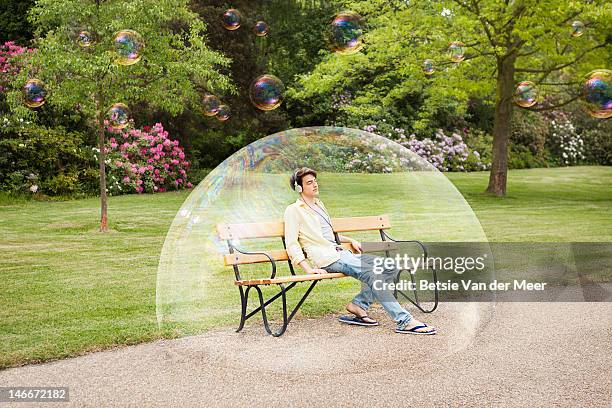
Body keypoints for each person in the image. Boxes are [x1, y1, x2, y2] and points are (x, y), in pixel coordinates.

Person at [284, 167, 436, 335]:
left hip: (341, 253)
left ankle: (358, 305)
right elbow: (291, 243)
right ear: (299, 187)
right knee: (371, 273)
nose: (315, 185)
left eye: (315, 181)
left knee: (390, 266)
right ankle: (404, 321)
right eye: (309, 182)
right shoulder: (294, 210)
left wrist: (350, 240)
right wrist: (308, 269)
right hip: (327, 258)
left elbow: (327, 235)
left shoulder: (319, 205)